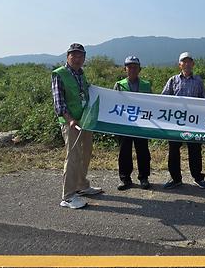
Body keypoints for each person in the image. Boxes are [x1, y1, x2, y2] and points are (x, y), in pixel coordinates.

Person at [51, 43, 102, 209]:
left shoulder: (81, 73)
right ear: (68, 56)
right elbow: (59, 102)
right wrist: (69, 119)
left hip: (85, 121)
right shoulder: (59, 74)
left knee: (86, 153)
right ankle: (68, 196)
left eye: (81, 55)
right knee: (73, 157)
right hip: (70, 122)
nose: (78, 58)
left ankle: (82, 185)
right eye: (74, 55)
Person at [161, 52, 205, 190]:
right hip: (175, 123)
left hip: (194, 123)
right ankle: (176, 179)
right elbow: (163, 99)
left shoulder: (198, 81)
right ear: (180, 65)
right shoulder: (173, 80)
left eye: (189, 61)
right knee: (173, 150)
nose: (187, 64)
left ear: (193, 64)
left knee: (195, 150)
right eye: (184, 62)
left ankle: (198, 177)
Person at [112, 56, 152, 191]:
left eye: (135, 67)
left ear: (139, 69)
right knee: (124, 152)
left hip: (142, 124)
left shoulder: (146, 84)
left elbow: (152, 104)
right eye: (129, 66)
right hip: (124, 125)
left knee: (143, 152)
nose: (132, 69)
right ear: (125, 69)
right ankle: (125, 179)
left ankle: (144, 177)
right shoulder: (119, 85)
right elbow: (113, 103)